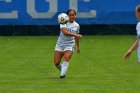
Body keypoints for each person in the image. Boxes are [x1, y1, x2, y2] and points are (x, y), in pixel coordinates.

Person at [54, 9, 82, 79]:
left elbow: (77, 38)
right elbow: (65, 32)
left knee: (66, 57)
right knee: (56, 62)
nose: (72, 16)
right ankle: (63, 70)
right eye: (70, 15)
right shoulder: (63, 22)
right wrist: (76, 35)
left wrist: (78, 46)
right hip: (60, 44)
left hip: (70, 44)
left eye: (73, 15)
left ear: (75, 16)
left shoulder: (77, 25)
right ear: (67, 16)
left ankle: (62, 75)